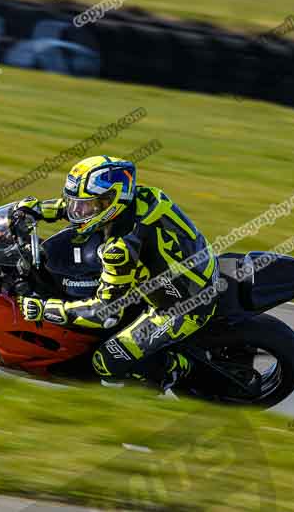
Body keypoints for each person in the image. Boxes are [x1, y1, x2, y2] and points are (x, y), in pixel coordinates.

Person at [15, 155, 219, 391]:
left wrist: (45, 309)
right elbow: (77, 209)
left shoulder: (120, 248)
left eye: (85, 205)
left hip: (184, 305)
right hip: (184, 272)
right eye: (76, 203)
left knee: (108, 360)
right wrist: (37, 210)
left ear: (111, 201)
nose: (77, 211)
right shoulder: (142, 197)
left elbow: (104, 313)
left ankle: (177, 368)